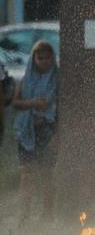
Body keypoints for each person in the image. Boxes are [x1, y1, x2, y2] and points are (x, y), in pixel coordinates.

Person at [12, 39, 59, 223]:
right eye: (40, 58)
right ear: (34, 59)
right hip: (27, 132)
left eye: (48, 58)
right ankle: (24, 216)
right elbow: (15, 102)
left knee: (47, 175)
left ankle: (47, 215)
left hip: (48, 131)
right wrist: (33, 103)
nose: (44, 62)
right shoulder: (27, 78)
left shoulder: (57, 79)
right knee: (27, 175)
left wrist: (58, 134)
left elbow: (61, 107)